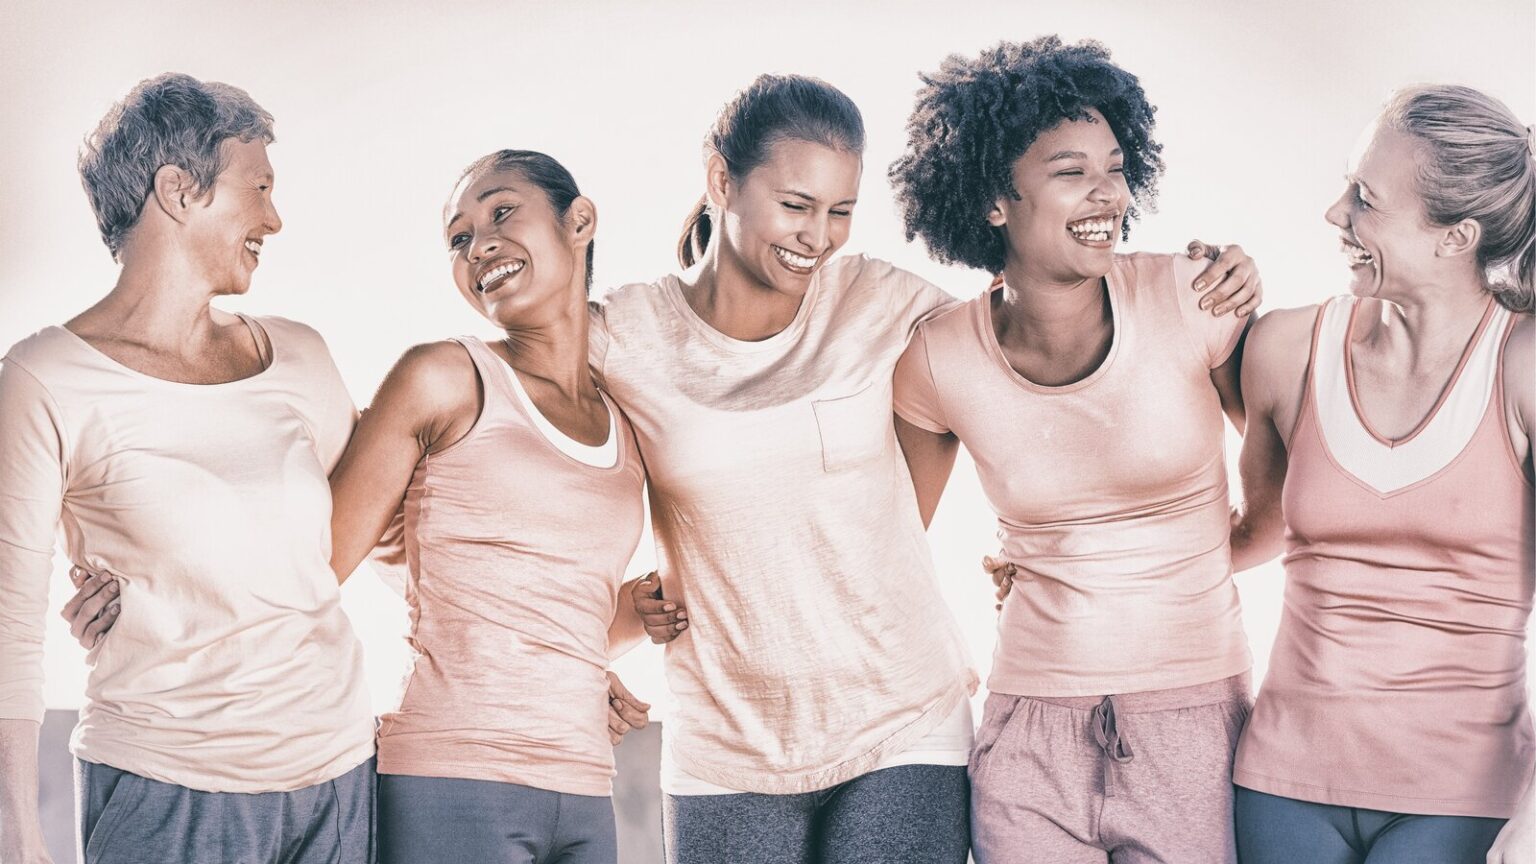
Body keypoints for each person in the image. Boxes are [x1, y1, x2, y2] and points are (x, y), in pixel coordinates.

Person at [604, 72, 1259, 863]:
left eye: (840, 211)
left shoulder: (886, 303)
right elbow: (513, 480)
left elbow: (1025, 335)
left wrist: (1079, 557)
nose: (818, 235)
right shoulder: (623, 337)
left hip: (903, 719)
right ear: (721, 181)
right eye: (797, 205)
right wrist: (583, 642)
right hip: (724, 738)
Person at [60, 148, 665, 864]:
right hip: (454, 775)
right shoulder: (442, 376)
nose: (481, 244)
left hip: (584, 778)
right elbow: (310, 564)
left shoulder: (626, 420)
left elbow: (544, 603)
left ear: (580, 221)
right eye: (459, 238)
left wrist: (624, 626)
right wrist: (147, 605)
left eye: (502, 212)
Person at [886, 36, 1260, 863]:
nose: (1108, 194)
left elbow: (1295, 467)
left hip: (1195, 720)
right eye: (1069, 171)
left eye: (1117, 167)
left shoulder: (1192, 298)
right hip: (1028, 731)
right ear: (993, 202)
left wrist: (1222, 548)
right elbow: (884, 542)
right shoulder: (939, 357)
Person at [0, 73, 375, 864]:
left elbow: (392, 535)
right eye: (260, 187)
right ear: (178, 190)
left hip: (338, 779)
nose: (275, 216)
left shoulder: (300, 353)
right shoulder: (45, 380)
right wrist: (16, 835)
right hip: (165, 788)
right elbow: (8, 626)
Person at [1228, 84, 1535, 864]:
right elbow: (1244, 536)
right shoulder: (1284, 347)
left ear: (1455, 236)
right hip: (1283, 782)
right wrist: (1069, 553)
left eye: (1365, 199)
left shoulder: (1523, 366)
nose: (1337, 215)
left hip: (1462, 796)